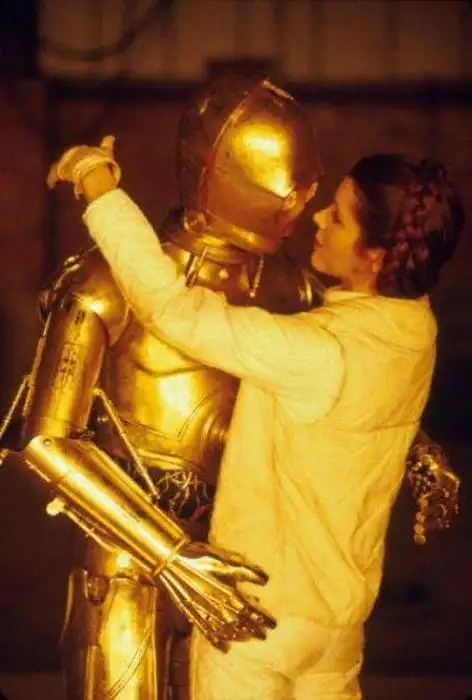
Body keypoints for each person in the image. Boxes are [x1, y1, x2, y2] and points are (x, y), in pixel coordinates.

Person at [46, 143, 464, 699]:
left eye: (338, 217)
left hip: (258, 619)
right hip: (338, 625)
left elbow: (173, 311)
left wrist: (100, 188)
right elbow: (359, 413)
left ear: (374, 257)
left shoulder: (315, 348)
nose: (317, 217)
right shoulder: (417, 330)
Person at [0, 75, 326, 700]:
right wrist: (169, 554)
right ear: (220, 176)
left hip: (244, 562)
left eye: (307, 192)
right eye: (286, 193)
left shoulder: (290, 286)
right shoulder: (104, 279)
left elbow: (338, 381)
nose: (298, 211)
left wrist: (409, 442)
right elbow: (46, 441)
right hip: (127, 564)